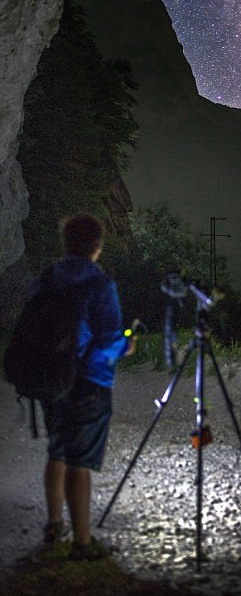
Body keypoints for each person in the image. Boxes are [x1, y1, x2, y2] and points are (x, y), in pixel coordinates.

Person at [38, 212, 137, 560]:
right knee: (79, 462)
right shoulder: (100, 283)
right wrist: (127, 345)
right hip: (89, 381)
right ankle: (82, 541)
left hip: (52, 378)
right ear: (97, 246)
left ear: (66, 243)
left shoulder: (49, 276)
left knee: (58, 450)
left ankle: (53, 526)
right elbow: (109, 338)